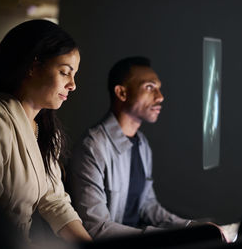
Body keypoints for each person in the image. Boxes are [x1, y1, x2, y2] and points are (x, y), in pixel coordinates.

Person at [67, 56, 226, 241]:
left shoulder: (142, 144)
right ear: (122, 93)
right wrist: (170, 239)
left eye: (158, 88)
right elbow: (96, 227)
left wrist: (190, 228)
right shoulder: (92, 147)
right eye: (150, 87)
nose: (160, 97)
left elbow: (147, 206)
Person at [0, 19, 92, 245]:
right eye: (65, 72)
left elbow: (55, 202)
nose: (73, 84)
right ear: (33, 67)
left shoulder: (46, 131)